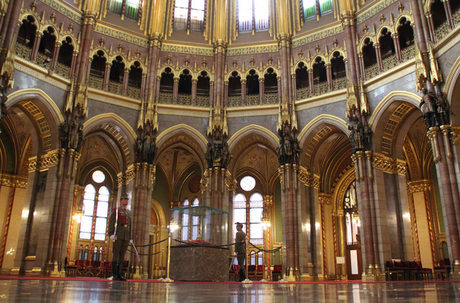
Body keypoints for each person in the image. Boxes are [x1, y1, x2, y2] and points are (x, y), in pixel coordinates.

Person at [108, 193, 133, 281]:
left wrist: (130, 237)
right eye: (124, 199)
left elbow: (130, 226)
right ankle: (114, 274)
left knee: (122, 256)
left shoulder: (129, 212)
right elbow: (111, 222)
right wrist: (111, 234)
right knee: (115, 255)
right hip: (118, 234)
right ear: (121, 200)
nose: (126, 200)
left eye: (127, 199)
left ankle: (119, 274)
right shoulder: (116, 211)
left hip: (126, 236)